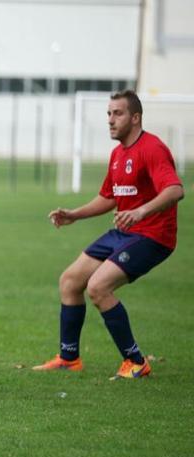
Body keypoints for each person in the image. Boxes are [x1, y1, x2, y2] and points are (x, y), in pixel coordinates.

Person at [33, 90, 184, 379]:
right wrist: (74, 215)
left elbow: (175, 190)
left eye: (118, 113)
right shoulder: (117, 154)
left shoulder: (152, 148)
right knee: (70, 281)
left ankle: (137, 363)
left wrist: (141, 212)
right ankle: (69, 358)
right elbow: (109, 197)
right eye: (108, 114)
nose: (110, 120)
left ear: (135, 117)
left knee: (98, 287)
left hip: (153, 235)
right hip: (124, 232)